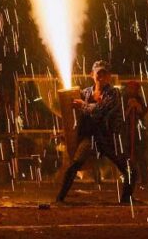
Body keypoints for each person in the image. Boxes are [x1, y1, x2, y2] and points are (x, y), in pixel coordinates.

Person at [56, 61, 137, 204]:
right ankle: (60, 199)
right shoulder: (85, 93)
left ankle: (125, 200)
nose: (101, 76)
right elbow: (71, 110)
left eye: (104, 73)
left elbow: (100, 111)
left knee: (130, 169)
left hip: (108, 137)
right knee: (74, 165)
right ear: (91, 75)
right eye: (98, 73)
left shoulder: (113, 93)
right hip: (91, 137)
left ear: (109, 76)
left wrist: (83, 105)